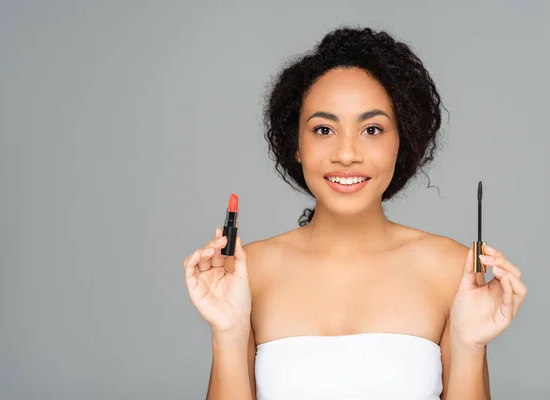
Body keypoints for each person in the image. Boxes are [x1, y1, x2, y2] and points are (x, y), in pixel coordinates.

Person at [182, 26, 527, 400]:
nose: (346, 154)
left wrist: (470, 346)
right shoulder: (248, 272)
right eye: (324, 129)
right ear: (296, 144)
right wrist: (227, 335)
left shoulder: (452, 269)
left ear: (402, 139)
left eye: (372, 129)